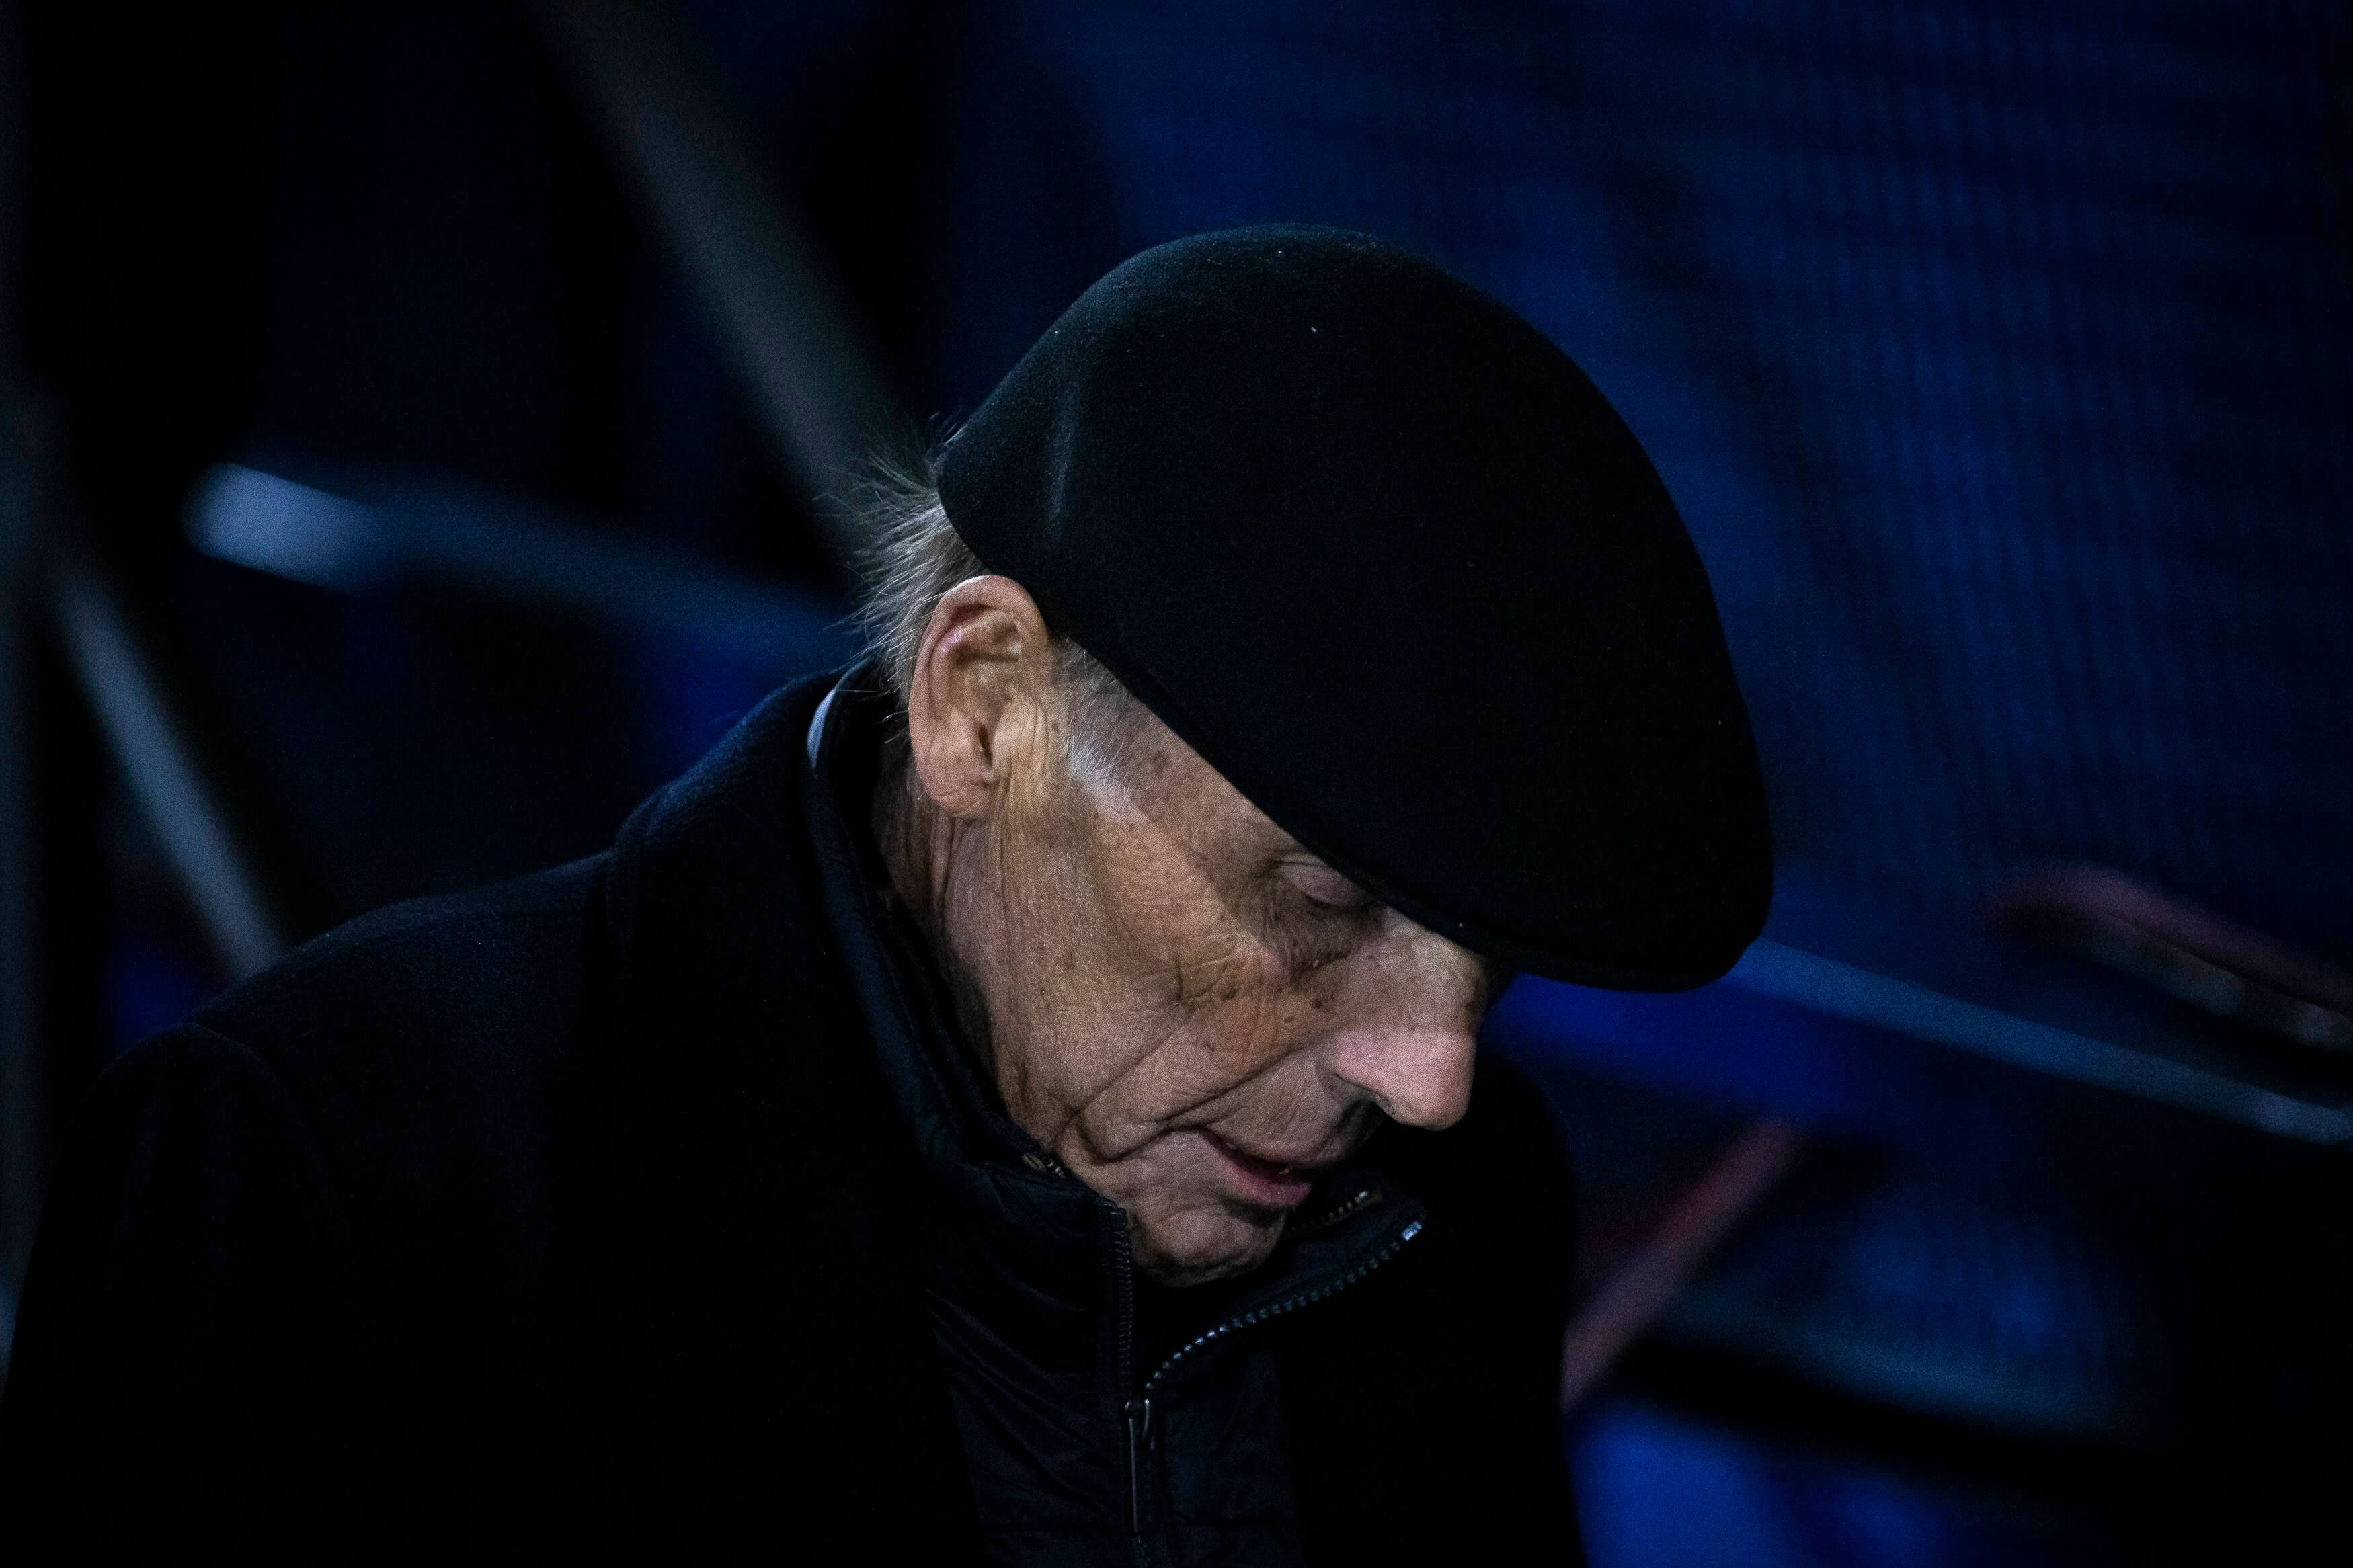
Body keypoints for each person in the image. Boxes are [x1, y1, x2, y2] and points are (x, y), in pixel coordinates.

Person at [0, 226, 1770, 1563]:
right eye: (1314, 900)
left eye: (1487, 972)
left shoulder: (1458, 1212)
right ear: (980, 703)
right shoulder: (341, 1166)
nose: (1430, 1075)